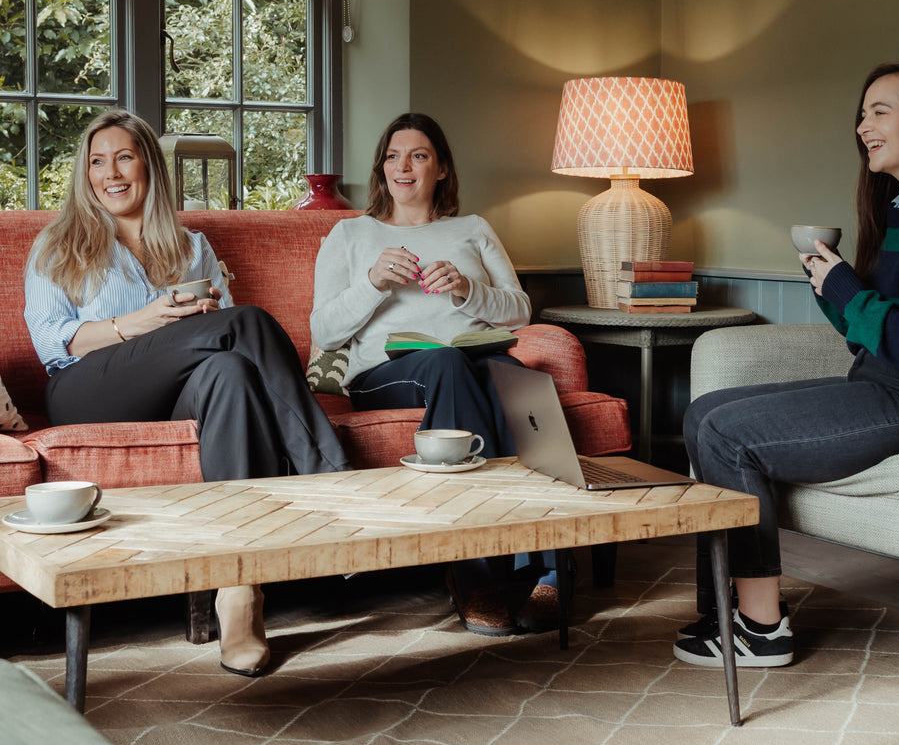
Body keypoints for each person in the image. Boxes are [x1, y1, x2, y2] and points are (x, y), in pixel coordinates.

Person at [677, 62, 899, 668]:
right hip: (882, 384)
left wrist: (846, 289)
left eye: (880, 111)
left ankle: (762, 631)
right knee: (705, 410)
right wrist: (831, 285)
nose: (864, 125)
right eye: (862, 114)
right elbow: (874, 331)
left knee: (731, 434)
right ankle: (725, 606)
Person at [24, 109, 350, 678]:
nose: (111, 173)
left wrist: (198, 321)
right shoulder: (60, 243)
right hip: (86, 391)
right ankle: (331, 480)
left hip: (172, 388)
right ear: (86, 174)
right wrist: (144, 321)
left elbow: (217, 335)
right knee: (245, 324)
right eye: (98, 162)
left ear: (149, 166)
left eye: (125, 157)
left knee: (232, 372)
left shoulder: (189, 245)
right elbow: (56, 344)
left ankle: (240, 589)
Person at [310, 112, 560, 636]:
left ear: (441, 168)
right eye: (393, 155)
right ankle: (475, 576)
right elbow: (325, 331)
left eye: (418, 155)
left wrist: (468, 290)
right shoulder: (350, 234)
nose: (404, 166)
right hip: (385, 371)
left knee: (520, 382)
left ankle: (552, 568)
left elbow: (519, 312)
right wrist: (374, 283)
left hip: (470, 357)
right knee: (449, 363)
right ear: (382, 167)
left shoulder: (472, 229)